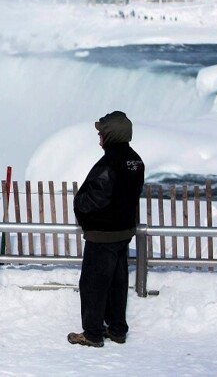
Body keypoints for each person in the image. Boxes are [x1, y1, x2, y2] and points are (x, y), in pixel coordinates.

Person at [68, 111, 144, 348]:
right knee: (117, 282)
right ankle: (117, 328)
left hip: (103, 234)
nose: (99, 136)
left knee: (93, 283)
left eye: (101, 132)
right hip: (123, 231)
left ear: (110, 135)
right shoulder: (135, 161)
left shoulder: (108, 164)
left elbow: (93, 200)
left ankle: (92, 333)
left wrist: (79, 204)